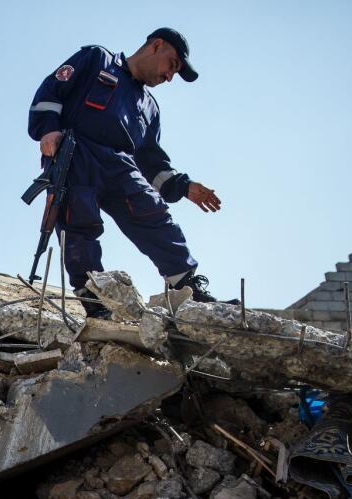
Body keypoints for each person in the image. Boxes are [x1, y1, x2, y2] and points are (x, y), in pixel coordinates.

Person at [28, 27, 227, 316]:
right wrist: (48, 130)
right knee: (79, 225)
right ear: (156, 45)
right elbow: (50, 92)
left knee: (155, 215)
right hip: (76, 153)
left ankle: (186, 288)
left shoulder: (150, 108)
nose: (170, 77)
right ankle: (95, 301)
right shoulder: (97, 60)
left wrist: (184, 186)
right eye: (172, 65)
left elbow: (152, 162)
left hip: (120, 167)